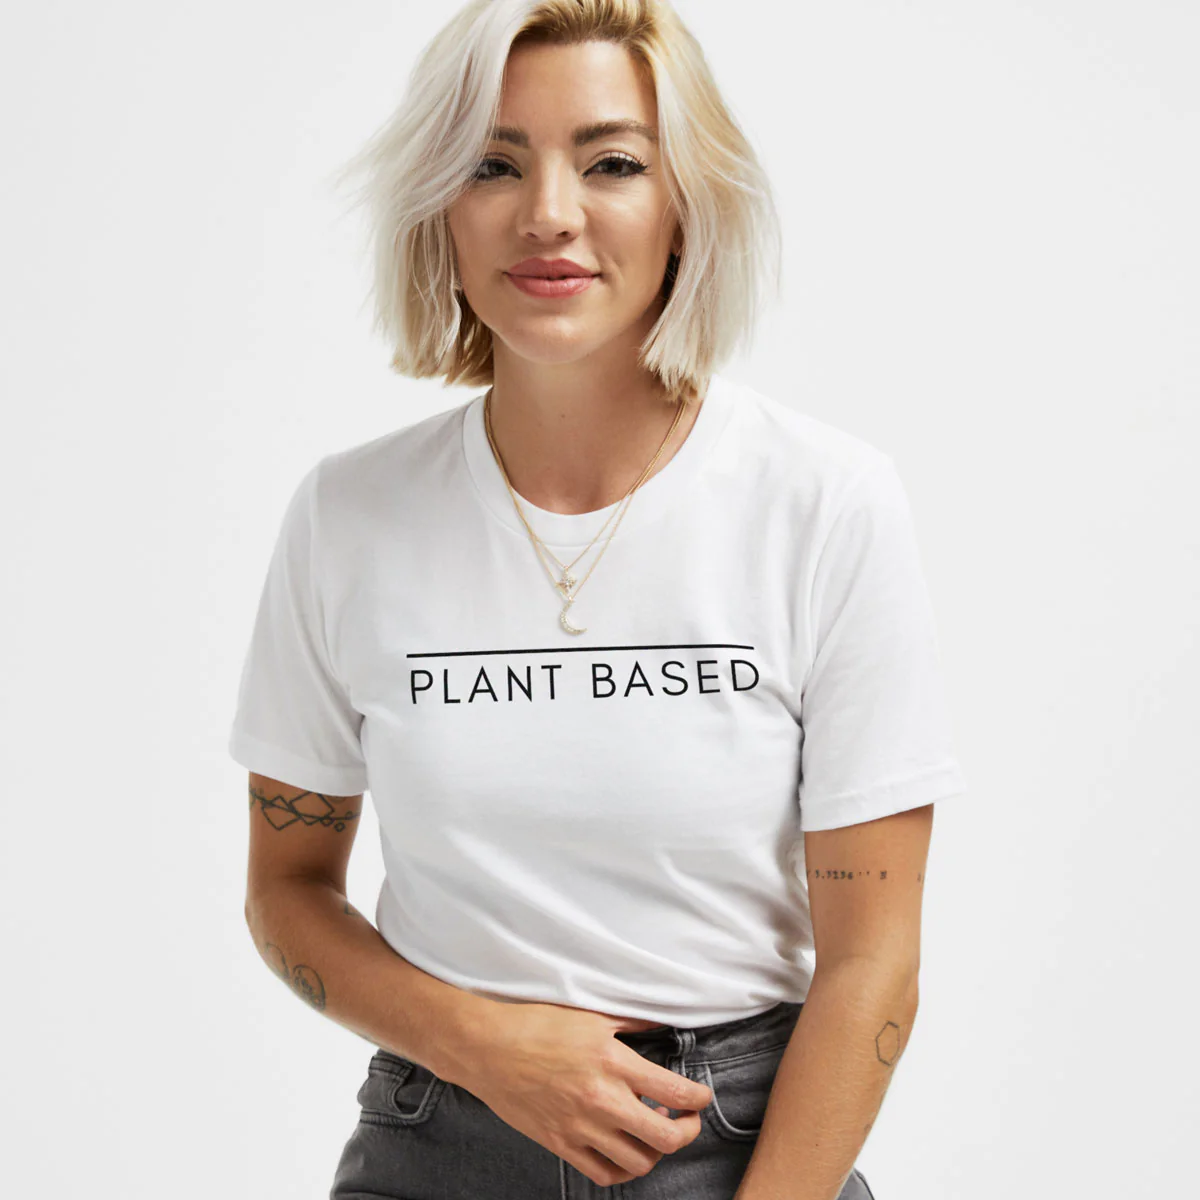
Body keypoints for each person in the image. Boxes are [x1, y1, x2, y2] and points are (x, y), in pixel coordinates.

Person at [229, 2, 967, 1196]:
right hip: (435, 1141)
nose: (548, 213)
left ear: (686, 204)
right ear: (440, 207)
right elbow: (286, 892)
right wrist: (486, 1047)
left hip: (746, 1149)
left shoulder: (823, 503)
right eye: (493, 164)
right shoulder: (348, 516)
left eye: (612, 162)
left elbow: (872, 963)